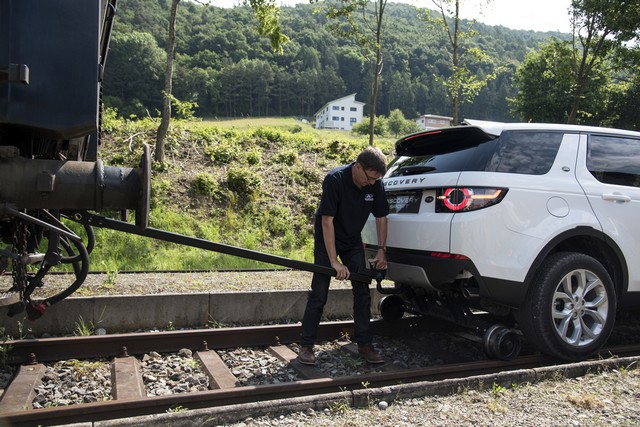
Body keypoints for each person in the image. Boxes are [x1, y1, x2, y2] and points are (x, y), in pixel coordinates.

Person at [298, 146, 389, 365]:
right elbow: (326, 220)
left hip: (351, 239)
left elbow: (382, 217)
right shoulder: (335, 180)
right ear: (358, 167)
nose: (372, 183)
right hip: (327, 237)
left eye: (376, 180)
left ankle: (364, 345)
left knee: (363, 292)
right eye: (370, 178)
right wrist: (333, 262)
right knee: (319, 292)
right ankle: (306, 346)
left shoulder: (375, 183)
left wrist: (381, 250)